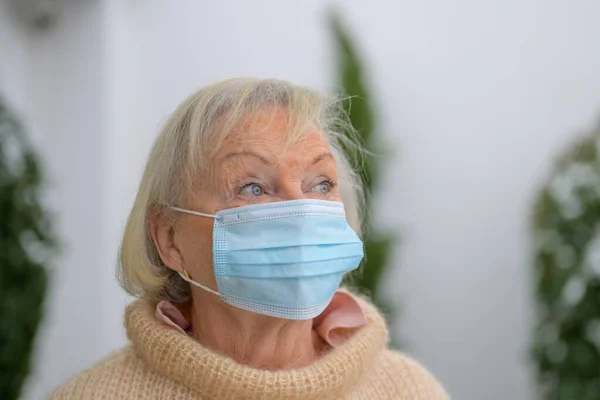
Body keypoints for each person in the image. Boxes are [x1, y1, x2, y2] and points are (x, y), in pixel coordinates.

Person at [51, 78, 448, 399]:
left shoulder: (408, 390)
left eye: (320, 183)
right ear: (170, 238)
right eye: (253, 188)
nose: (301, 212)